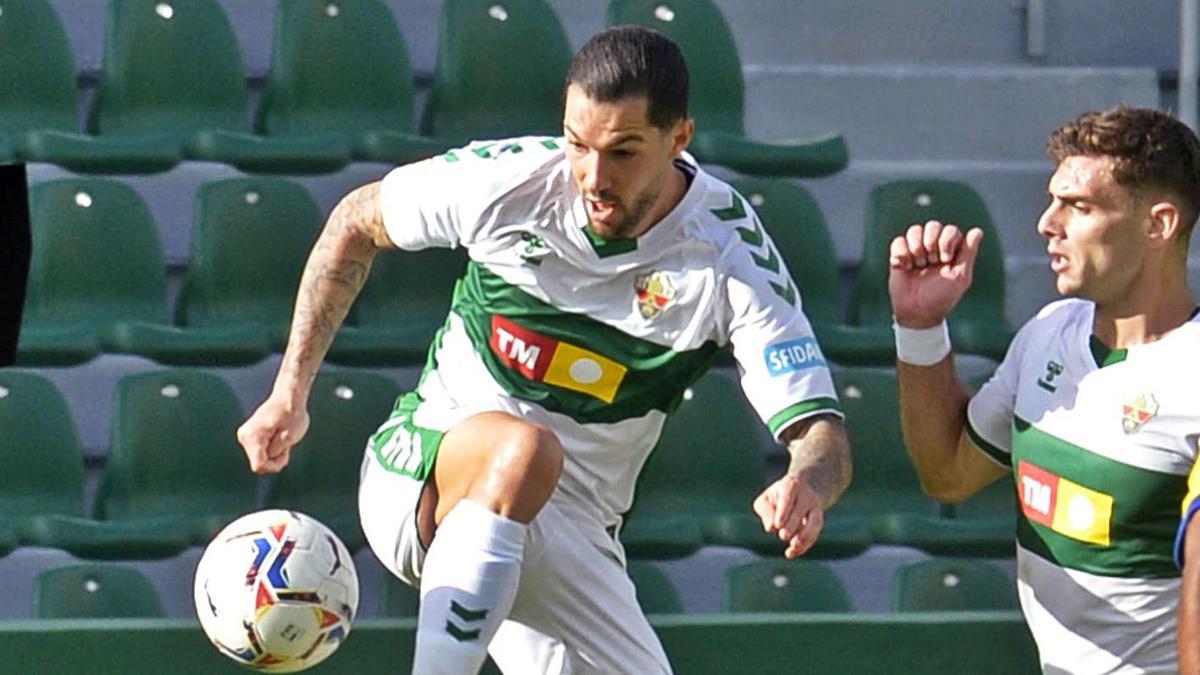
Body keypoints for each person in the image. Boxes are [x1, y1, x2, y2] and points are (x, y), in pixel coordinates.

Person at [237, 26, 851, 675]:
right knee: (525, 449)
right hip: (422, 471)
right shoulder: (508, 181)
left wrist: (805, 481)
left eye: (622, 151)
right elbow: (355, 222)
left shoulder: (728, 255)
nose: (592, 175)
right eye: (577, 143)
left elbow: (823, 435)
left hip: (574, 534)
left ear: (679, 140)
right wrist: (289, 392)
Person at [888, 104, 1200, 674]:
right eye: (1053, 199)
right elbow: (949, 475)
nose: (1046, 223)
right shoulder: (1047, 335)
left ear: (1158, 225)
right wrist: (920, 329)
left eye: (1077, 206)